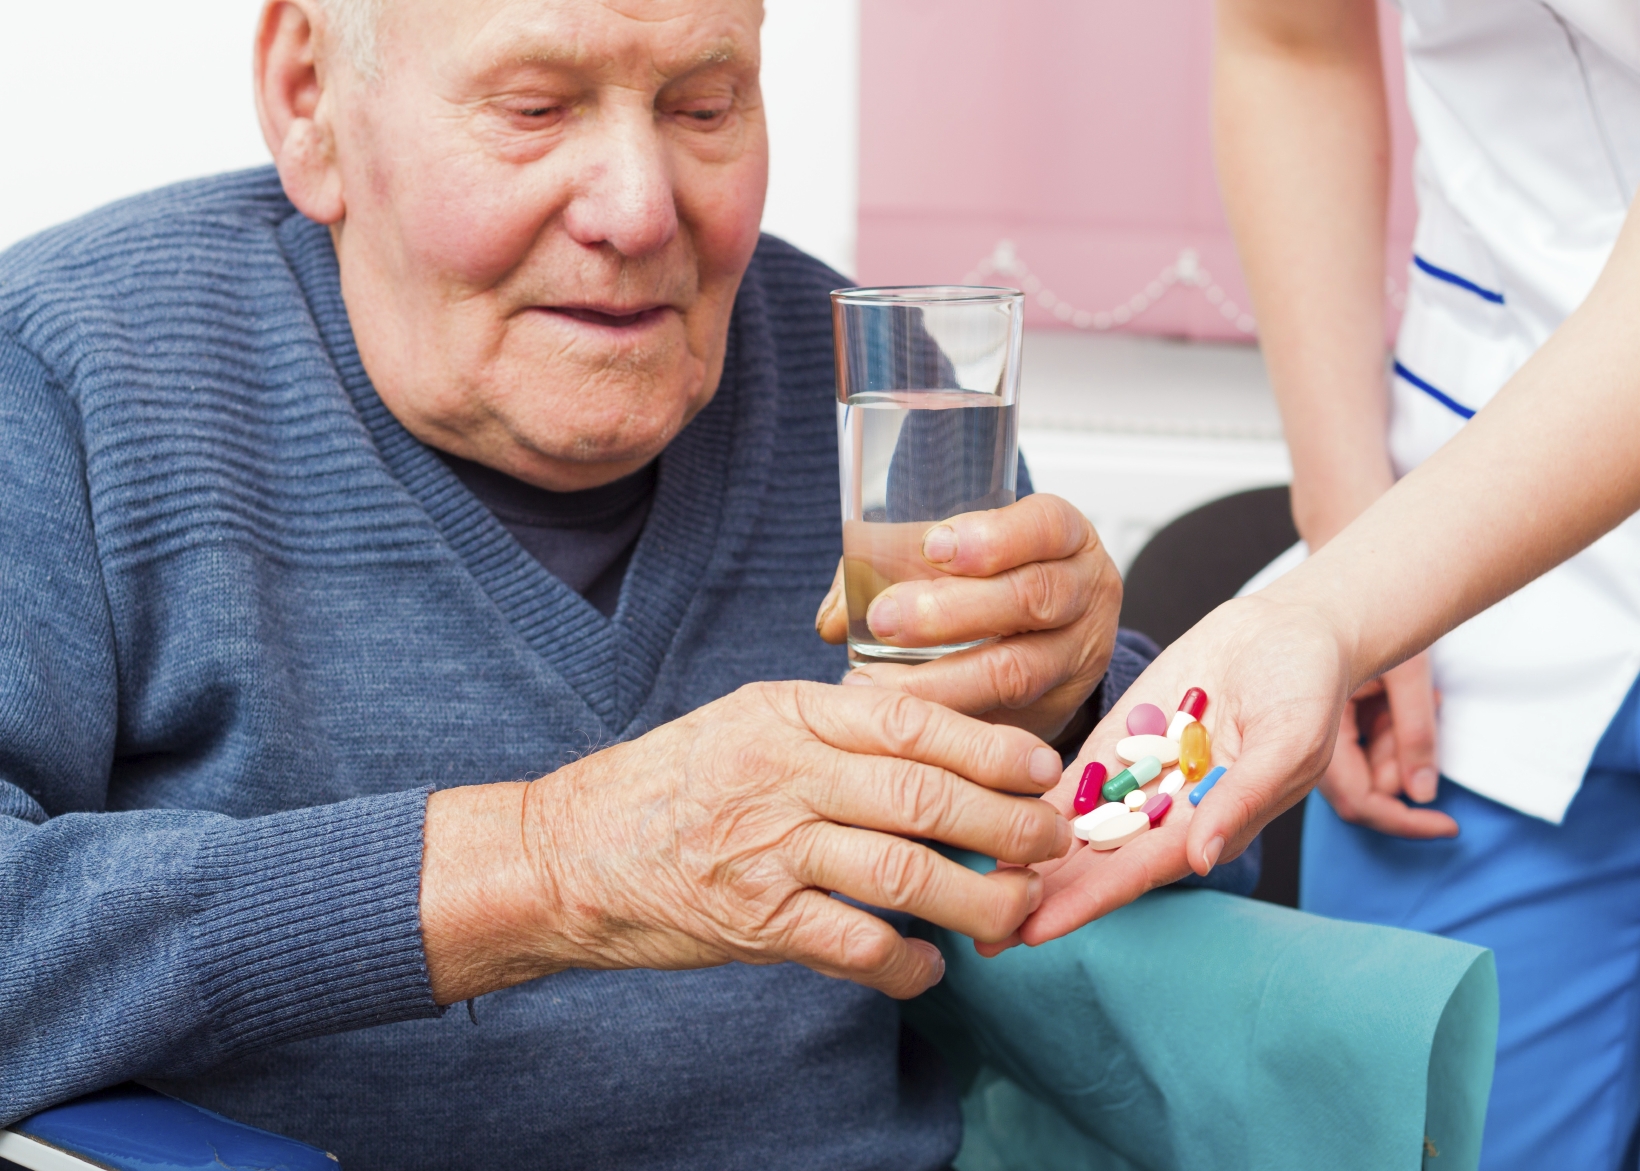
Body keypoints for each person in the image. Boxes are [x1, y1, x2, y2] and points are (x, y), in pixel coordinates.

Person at [0, 1, 1158, 1167]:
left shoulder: (876, 393)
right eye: (534, 109)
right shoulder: (62, 372)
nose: (639, 210)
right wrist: (552, 863)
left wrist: (1076, 711)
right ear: (311, 100)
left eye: (702, 107)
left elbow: (1191, 898)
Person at [1002, 3, 1640, 1166]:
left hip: (1436, 552)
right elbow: (1288, 38)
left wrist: (1334, 603)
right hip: (1468, 580)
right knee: (1406, 1115)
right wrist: (1349, 532)